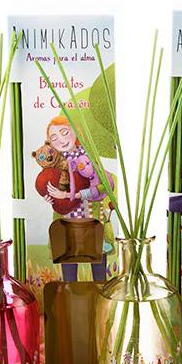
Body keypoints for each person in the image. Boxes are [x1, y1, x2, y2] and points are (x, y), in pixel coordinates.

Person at [42, 115, 115, 282]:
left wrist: (75, 195)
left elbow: (105, 186)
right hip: (67, 223)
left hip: (92, 221)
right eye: (54, 137)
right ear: (50, 143)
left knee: (99, 273)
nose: (61, 140)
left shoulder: (88, 159)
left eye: (64, 132)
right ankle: (70, 296)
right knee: (69, 272)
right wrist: (52, 198)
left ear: (76, 132)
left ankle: (100, 296)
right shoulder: (54, 166)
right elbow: (53, 193)